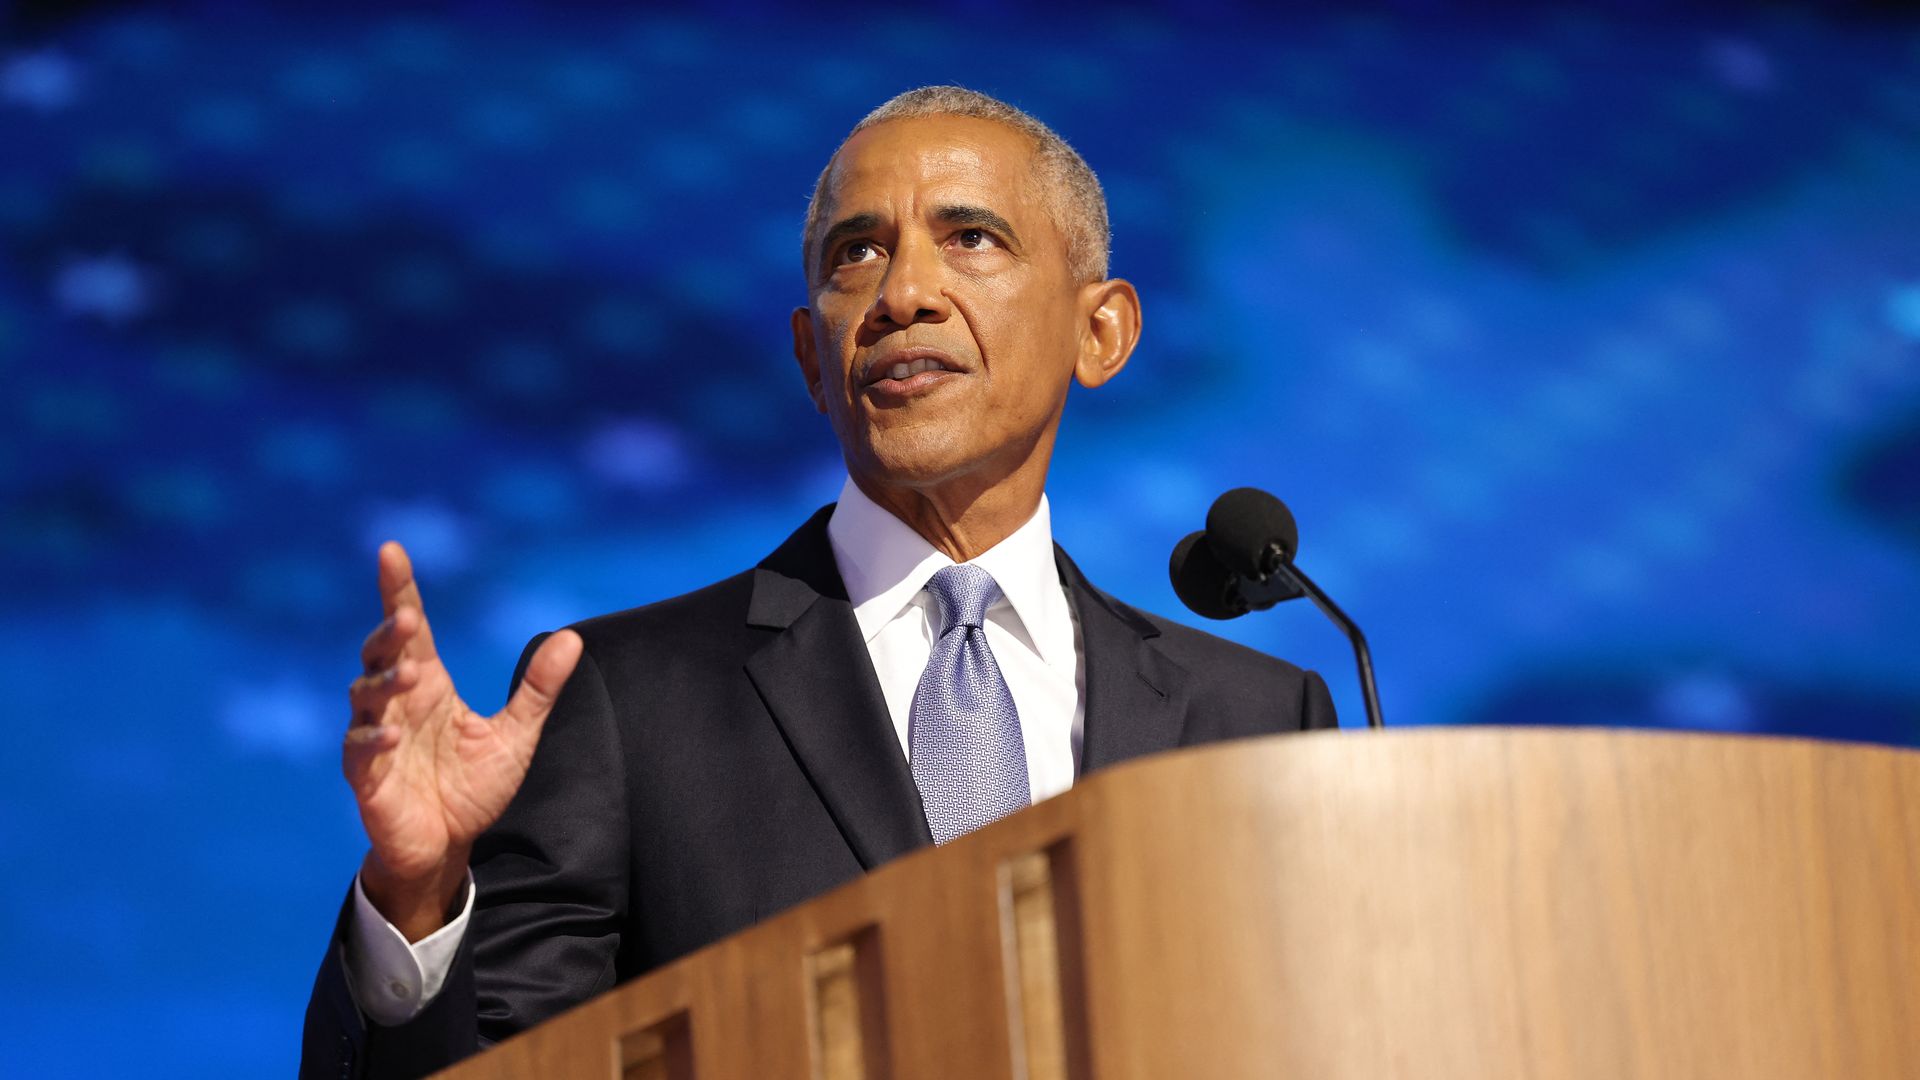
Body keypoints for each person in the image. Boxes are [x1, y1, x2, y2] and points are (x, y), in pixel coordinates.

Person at [300, 85, 1337, 1079]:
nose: (903, 294)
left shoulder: (1256, 719)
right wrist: (420, 897)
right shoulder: (626, 701)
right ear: (812, 357)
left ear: (1099, 330)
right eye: (858, 254)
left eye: (970, 238)